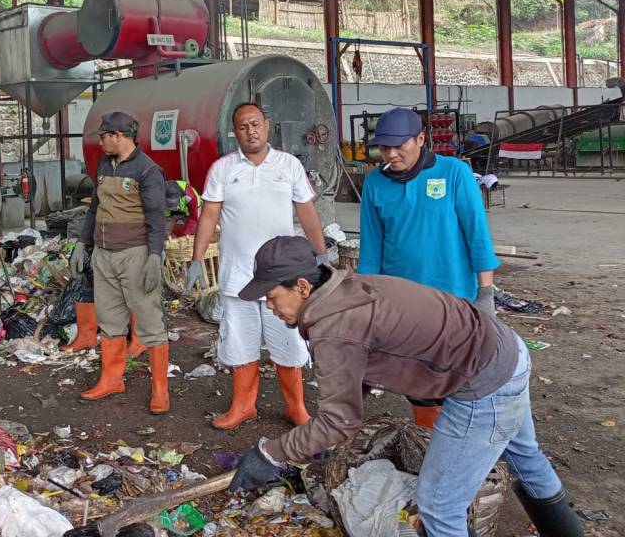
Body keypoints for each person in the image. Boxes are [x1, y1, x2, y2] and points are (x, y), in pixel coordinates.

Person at [228, 236, 583, 537]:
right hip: (506, 350)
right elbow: (356, 376)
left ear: (302, 287)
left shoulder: (333, 326)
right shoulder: (347, 289)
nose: (270, 307)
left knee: (439, 507)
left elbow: (340, 421)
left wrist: (270, 453)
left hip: (483, 382)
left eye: (272, 297)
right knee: (525, 458)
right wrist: (318, 435)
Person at [189, 102, 328, 430]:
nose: (250, 131)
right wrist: (196, 259)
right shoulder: (222, 169)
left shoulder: (289, 165)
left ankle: (296, 408)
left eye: (255, 124)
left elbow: (306, 211)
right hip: (238, 275)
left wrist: (320, 253)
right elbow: (208, 214)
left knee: (289, 343)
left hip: (283, 278)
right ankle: (243, 406)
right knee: (239, 341)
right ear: (234, 132)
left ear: (266, 126)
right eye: (242, 126)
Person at [359, 107, 500, 428]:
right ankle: (430, 439)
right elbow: (371, 250)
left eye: (400, 146)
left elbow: (477, 233)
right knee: (417, 377)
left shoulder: (453, 173)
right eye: (384, 148)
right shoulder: (375, 184)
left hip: (455, 299)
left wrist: (486, 294)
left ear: (421, 139)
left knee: (460, 376)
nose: (391, 154)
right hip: (402, 304)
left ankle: (469, 443)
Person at [69, 111, 170, 414]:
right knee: (110, 322)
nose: (100, 142)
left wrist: (154, 256)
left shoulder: (147, 170)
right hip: (104, 255)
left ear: (119, 136)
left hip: (134, 255)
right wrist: (81, 243)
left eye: (104, 136)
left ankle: (160, 391)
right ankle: (112, 380)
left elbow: (156, 217)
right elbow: (94, 209)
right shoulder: (103, 165)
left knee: (150, 323)